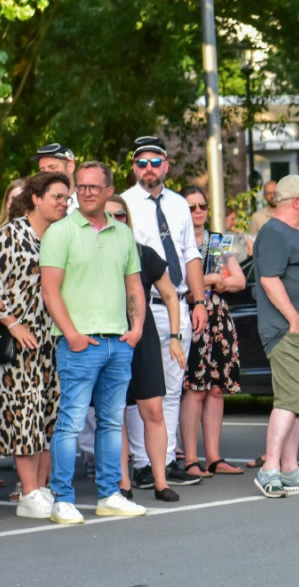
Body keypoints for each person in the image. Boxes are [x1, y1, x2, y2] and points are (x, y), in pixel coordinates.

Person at [39, 161, 148, 523]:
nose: (85, 192)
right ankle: (62, 499)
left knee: (111, 423)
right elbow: (49, 290)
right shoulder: (61, 231)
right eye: (80, 186)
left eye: (93, 187)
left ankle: (110, 494)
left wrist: (135, 330)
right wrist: (71, 334)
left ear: (107, 190)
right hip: (79, 344)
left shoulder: (122, 234)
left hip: (119, 342)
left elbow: (134, 285)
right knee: (70, 422)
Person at [121, 136, 206, 490]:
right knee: (140, 388)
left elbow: (189, 254)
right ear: (134, 168)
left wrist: (198, 301)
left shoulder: (177, 204)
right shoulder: (123, 203)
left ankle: (166, 459)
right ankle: (142, 463)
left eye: (155, 162)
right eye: (142, 163)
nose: (149, 169)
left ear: (167, 166)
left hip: (178, 304)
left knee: (172, 387)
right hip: (142, 305)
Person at [0, 173, 70, 519]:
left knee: (48, 415)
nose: (63, 203)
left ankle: (38, 489)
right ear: (36, 198)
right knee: (24, 413)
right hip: (17, 340)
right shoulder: (9, 235)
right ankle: (29, 491)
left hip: (52, 338)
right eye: (56, 196)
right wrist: (12, 321)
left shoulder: (61, 236)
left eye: (66, 198)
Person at [251, 175, 299, 497]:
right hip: (288, 332)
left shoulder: (294, 232)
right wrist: (295, 321)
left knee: (298, 402)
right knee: (288, 400)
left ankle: (290, 469)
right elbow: (269, 280)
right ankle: (270, 468)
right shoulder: (273, 233)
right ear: (297, 201)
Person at [108, 194, 187, 503]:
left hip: (145, 337)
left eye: (120, 215)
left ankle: (160, 481)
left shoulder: (144, 254)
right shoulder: (93, 255)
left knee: (152, 410)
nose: (115, 220)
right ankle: (123, 483)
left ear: (128, 219)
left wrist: (176, 337)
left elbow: (170, 295)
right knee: (114, 414)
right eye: (108, 215)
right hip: (110, 336)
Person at [180, 186, 246, 477]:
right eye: (192, 206)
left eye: (202, 205)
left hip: (218, 315)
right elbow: (179, 280)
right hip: (190, 314)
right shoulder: (179, 240)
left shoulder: (217, 241)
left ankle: (214, 457)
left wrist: (216, 282)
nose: (198, 211)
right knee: (195, 388)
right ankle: (191, 458)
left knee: (216, 389)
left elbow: (240, 281)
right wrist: (212, 278)